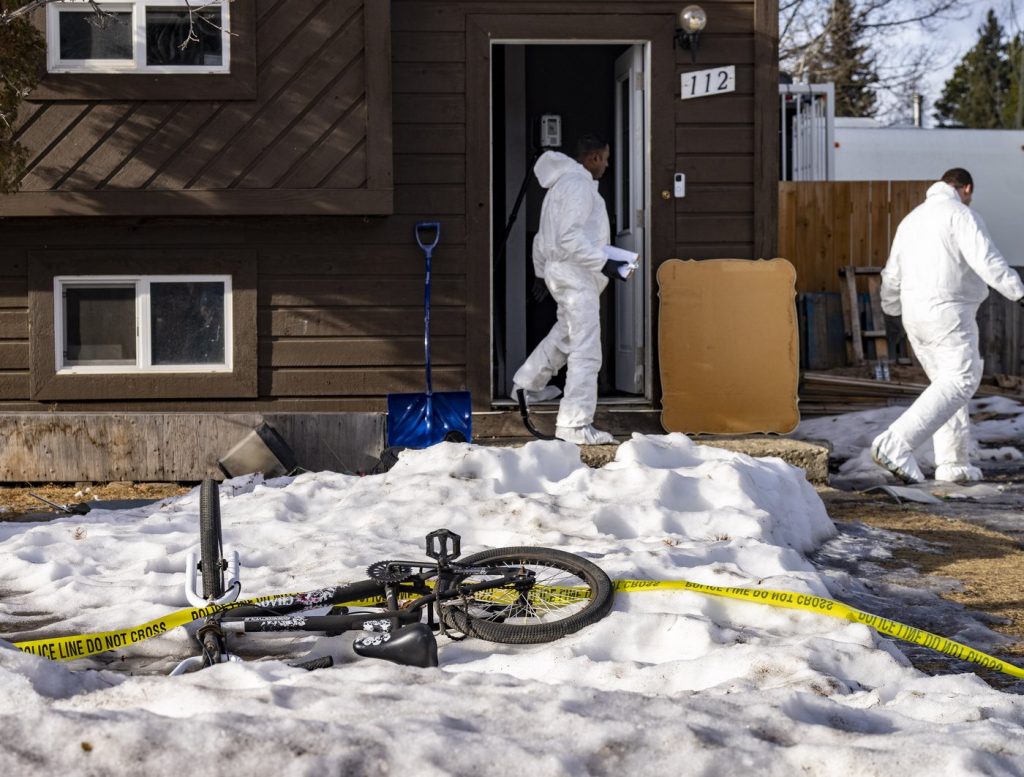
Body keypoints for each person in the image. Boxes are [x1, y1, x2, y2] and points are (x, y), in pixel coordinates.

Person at [870, 168, 1024, 484]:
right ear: (966, 189)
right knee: (961, 379)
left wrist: (892, 308)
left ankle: (953, 462)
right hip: (949, 312)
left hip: (915, 315)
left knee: (946, 386)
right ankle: (896, 443)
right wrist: (1018, 291)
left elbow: (892, 274)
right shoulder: (960, 215)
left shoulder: (910, 220)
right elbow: (986, 258)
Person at [512, 133, 630, 446]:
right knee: (586, 348)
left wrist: (542, 273)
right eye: (605, 159)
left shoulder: (559, 187)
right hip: (576, 275)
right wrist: (604, 262)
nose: (606, 165)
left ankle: (526, 385)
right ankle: (575, 424)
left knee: (566, 334)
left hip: (562, 272)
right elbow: (569, 239)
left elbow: (541, 239)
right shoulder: (578, 185)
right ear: (594, 158)